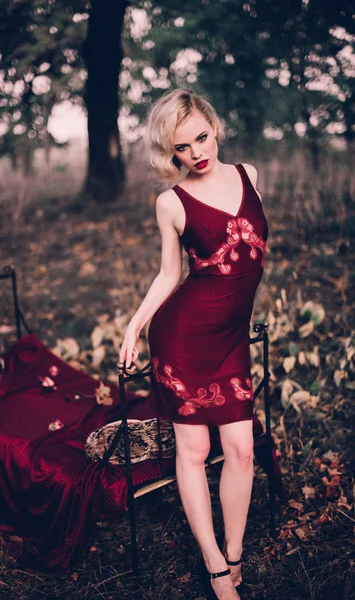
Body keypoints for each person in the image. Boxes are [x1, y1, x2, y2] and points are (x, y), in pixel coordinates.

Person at [119, 88, 268, 600]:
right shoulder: (172, 202)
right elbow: (168, 275)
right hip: (183, 337)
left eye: (201, 138)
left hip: (229, 340)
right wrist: (135, 325)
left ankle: (235, 552)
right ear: (171, 152)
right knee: (196, 448)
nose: (196, 153)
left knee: (241, 450)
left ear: (215, 126)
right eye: (182, 148)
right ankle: (215, 568)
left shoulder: (250, 176)